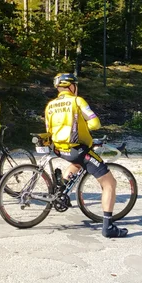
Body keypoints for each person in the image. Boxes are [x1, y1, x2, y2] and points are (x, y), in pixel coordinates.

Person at [45, 73, 128, 238]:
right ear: (72, 86)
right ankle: (108, 227)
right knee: (110, 183)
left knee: (77, 162)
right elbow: (95, 122)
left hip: (59, 148)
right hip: (77, 148)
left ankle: (62, 186)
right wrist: (84, 126)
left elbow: (49, 128)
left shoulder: (50, 105)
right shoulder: (77, 101)